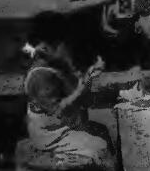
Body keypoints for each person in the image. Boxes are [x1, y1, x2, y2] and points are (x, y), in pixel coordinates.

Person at [16, 11, 115, 171]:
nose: (69, 47)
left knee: (102, 131)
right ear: (48, 46)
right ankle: (60, 161)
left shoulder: (57, 64)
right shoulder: (41, 75)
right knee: (100, 149)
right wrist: (85, 84)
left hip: (65, 126)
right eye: (65, 44)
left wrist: (87, 75)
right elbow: (61, 110)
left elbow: (74, 88)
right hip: (52, 133)